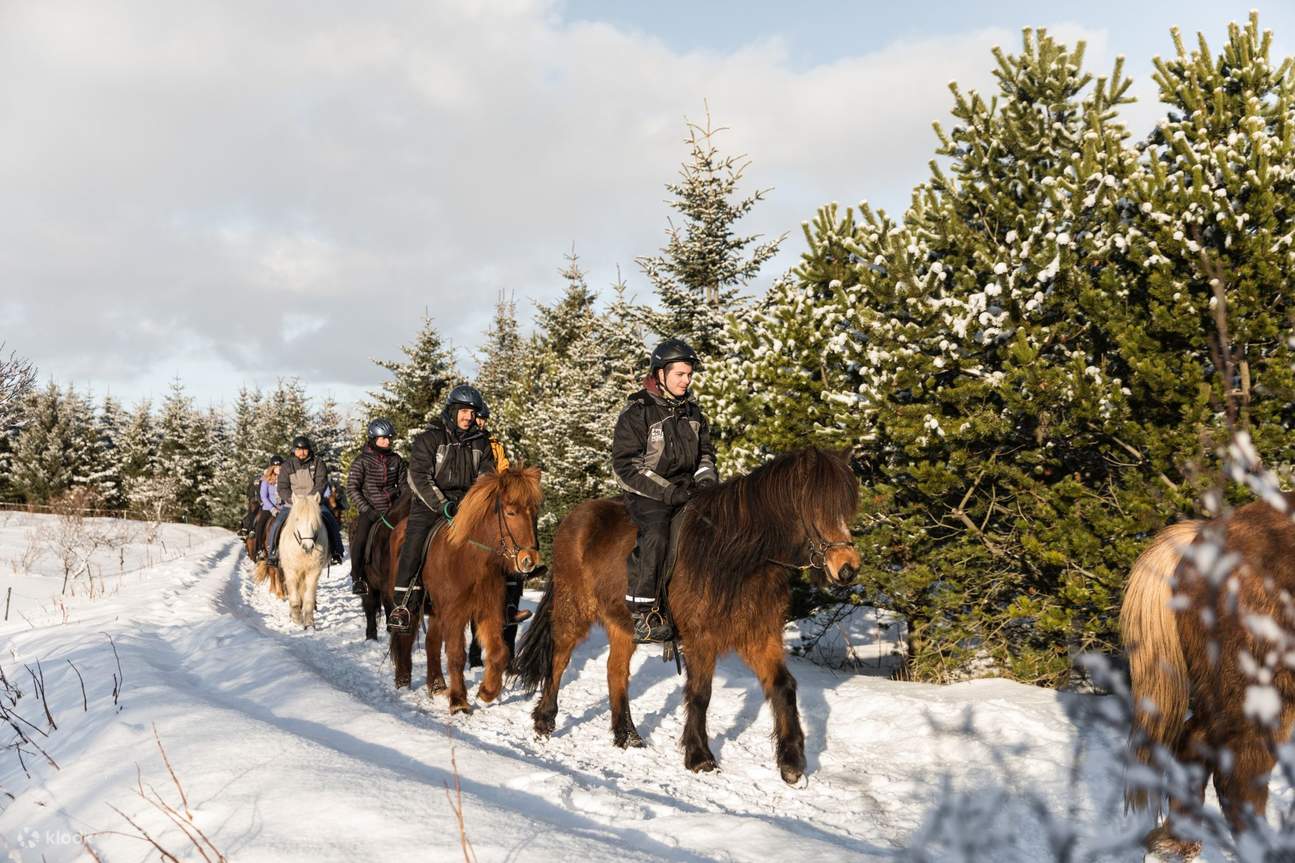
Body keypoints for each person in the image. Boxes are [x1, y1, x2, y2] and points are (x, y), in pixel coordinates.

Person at [611, 338, 718, 643]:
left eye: (689, 375)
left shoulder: (694, 413)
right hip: (647, 492)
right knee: (657, 534)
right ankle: (643, 612)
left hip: (688, 490)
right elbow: (627, 465)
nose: (686, 381)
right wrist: (669, 492)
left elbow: (705, 455)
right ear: (660, 374)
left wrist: (706, 481)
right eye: (680, 375)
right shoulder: (638, 411)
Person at [388, 386, 496, 634]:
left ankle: (504, 602)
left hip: (467, 507)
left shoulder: (481, 442)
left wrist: (470, 506)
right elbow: (418, 477)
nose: (468, 417)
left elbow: (486, 478)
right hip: (429, 505)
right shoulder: (430, 439)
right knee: (413, 545)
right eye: (465, 411)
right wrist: (442, 504)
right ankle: (403, 605)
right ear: (453, 410)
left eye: (472, 412)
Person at [345, 417, 407, 595]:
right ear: (374, 439)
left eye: (389, 438)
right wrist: (366, 509)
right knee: (361, 537)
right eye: (383, 438)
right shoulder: (361, 461)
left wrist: (403, 502)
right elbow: (352, 488)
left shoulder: (396, 460)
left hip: (394, 510)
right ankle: (357, 577)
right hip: (371, 510)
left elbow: (403, 486)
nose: (387, 441)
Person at [267, 435, 345, 566]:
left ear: (309, 450)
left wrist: (312, 499)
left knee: (330, 520)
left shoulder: (318, 463)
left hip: (314, 502)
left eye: (304, 449)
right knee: (277, 523)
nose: (301, 452)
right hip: (293, 503)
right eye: (298, 449)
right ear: (294, 450)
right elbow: (282, 486)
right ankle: (272, 552)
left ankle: (336, 551)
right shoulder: (287, 465)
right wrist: (291, 499)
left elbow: (321, 482)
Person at [251, 455, 284, 560]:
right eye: (275, 466)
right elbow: (263, 496)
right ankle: (259, 549)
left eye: (280, 466)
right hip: (269, 508)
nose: (278, 468)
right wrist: (272, 509)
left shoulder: (286, 478)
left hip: (284, 508)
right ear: (271, 468)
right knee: (260, 525)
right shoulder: (266, 479)